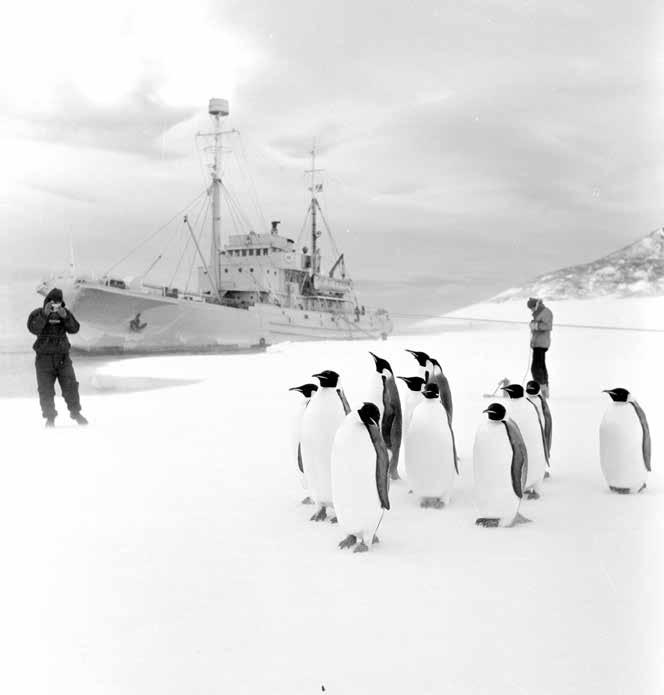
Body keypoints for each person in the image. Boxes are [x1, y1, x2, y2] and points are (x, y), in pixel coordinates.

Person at [27, 287, 88, 427]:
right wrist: (44, 314)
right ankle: (50, 418)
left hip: (63, 358)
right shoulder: (38, 313)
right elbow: (33, 328)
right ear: (47, 302)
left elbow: (75, 328)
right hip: (44, 359)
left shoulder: (64, 314)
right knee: (45, 390)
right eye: (52, 303)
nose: (55, 306)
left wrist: (65, 317)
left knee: (71, 387)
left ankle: (75, 413)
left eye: (57, 303)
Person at [527, 297, 553, 398]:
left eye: (532, 308)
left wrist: (535, 326)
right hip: (537, 343)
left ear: (536, 305)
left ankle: (541, 389)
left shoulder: (546, 312)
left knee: (536, 368)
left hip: (541, 343)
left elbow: (547, 326)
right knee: (540, 367)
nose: (531, 310)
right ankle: (544, 389)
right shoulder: (539, 312)